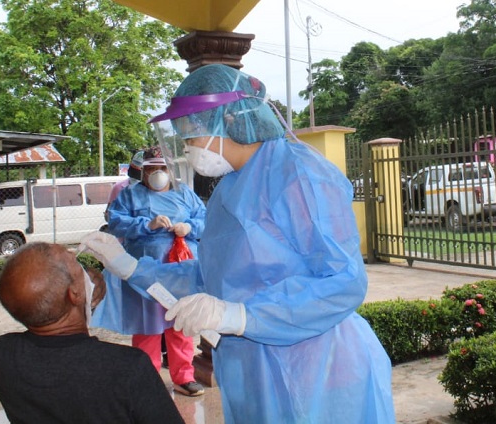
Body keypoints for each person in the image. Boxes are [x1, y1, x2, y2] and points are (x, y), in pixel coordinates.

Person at [81, 64, 395, 423]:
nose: (187, 147)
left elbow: (343, 282)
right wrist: (128, 266)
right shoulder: (229, 188)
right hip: (253, 372)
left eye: (191, 133)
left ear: (228, 119)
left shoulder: (300, 174)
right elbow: (211, 278)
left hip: (322, 367)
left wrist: (240, 315)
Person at [0, 242, 184, 424]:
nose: (76, 257)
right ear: (74, 294)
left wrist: (81, 297)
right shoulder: (127, 367)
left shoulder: (3, 353)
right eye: (75, 262)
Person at [91, 146, 207, 397]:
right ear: (142, 172)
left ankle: (184, 377)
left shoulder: (185, 194)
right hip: (143, 275)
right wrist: (146, 224)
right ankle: (148, 381)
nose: (157, 173)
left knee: (181, 325)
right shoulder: (130, 196)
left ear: (171, 171)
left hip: (181, 271)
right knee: (147, 327)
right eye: (151, 169)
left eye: (162, 168)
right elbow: (116, 222)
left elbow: (205, 220)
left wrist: (190, 227)